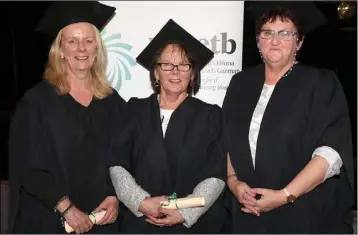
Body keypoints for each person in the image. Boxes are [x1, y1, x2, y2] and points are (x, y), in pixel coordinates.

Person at [222, 1, 356, 233]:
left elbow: (332, 151)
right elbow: (226, 139)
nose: (275, 41)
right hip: (246, 212)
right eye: (267, 33)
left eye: (285, 33)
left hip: (304, 212)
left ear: (299, 42)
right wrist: (234, 183)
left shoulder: (320, 83)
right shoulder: (240, 83)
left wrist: (285, 195)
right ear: (257, 40)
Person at [8, 2, 125, 234]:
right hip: (50, 219)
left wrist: (114, 195)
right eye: (72, 41)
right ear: (60, 49)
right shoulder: (37, 102)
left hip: (100, 220)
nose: (81, 48)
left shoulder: (112, 101)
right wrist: (66, 208)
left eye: (88, 41)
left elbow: (123, 157)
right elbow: (27, 166)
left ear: (97, 49)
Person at [108, 19, 228, 233]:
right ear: (156, 72)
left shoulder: (210, 115)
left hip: (192, 225)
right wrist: (141, 202)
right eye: (167, 65)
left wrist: (185, 212)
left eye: (183, 65)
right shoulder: (133, 110)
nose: (175, 72)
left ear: (193, 74)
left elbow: (216, 174)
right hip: (141, 224)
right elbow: (118, 163)